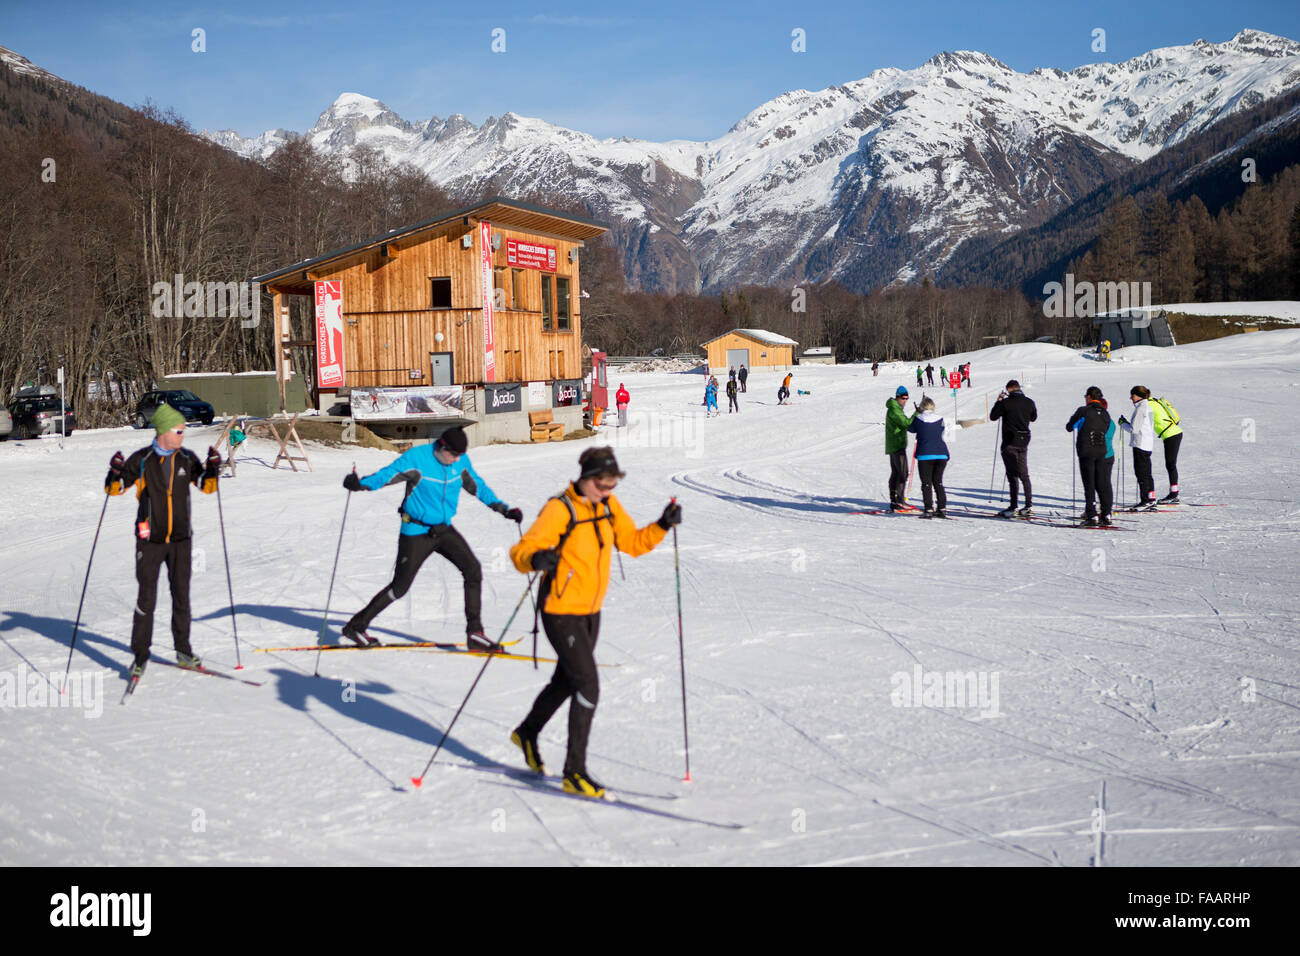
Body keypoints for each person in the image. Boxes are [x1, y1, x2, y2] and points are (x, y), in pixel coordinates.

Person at [509, 447, 680, 798]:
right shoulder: (559, 509)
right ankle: (575, 772)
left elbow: (632, 543)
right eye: (602, 485)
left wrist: (662, 524)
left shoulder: (608, 507)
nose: (607, 491)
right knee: (588, 686)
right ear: (586, 479)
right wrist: (537, 558)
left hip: (590, 610)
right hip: (559, 609)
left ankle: (527, 732)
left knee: (567, 679)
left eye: (612, 485)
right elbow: (521, 552)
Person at [339, 426, 523, 651]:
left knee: (473, 570)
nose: (457, 459)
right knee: (400, 588)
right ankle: (356, 627)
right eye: (453, 454)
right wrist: (361, 484)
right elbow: (387, 475)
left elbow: (478, 486)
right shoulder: (417, 458)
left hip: (443, 529)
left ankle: (475, 633)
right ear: (442, 446)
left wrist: (503, 509)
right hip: (416, 531)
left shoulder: (460, 461)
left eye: (460, 455)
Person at [105, 404, 221, 678]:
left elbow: (207, 487)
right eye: (179, 430)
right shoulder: (142, 460)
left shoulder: (187, 458)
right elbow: (114, 489)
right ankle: (140, 656)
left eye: (184, 430)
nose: (183, 435)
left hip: (181, 540)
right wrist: (115, 472)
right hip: (150, 541)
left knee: (181, 597)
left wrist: (213, 468)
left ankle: (183, 651)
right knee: (147, 599)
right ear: (164, 431)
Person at [1066, 386, 1115, 527]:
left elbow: (1070, 426)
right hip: (1102, 451)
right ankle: (1106, 513)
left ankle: (1092, 514)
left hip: (1086, 451)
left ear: (1088, 397)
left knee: (1089, 484)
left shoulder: (1083, 410)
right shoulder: (1106, 414)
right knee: (1102, 483)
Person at [989, 380, 1037, 517]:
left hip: (1010, 441)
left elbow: (993, 416)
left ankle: (1013, 505)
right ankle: (1028, 504)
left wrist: (999, 400)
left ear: (1009, 389)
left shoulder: (1006, 402)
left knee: (1012, 474)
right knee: (1024, 474)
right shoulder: (1029, 402)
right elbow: (1034, 418)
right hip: (1024, 441)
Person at [907, 397, 949, 517]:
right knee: (938, 482)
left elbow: (910, 428)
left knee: (926, 483)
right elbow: (946, 433)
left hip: (925, 454)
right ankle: (942, 508)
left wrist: (916, 413)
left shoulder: (918, 418)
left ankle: (928, 509)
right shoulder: (940, 418)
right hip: (942, 453)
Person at [1118, 385, 1156, 510]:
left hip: (1140, 443)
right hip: (1147, 443)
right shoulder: (1147, 406)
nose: (1131, 398)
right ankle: (1150, 497)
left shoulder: (1141, 408)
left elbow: (1134, 429)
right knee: (1147, 472)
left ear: (1138, 395)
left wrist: (1123, 424)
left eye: (1132, 395)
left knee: (1141, 473)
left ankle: (1145, 500)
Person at [885, 386, 916, 512]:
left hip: (895, 444)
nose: (905, 401)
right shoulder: (894, 409)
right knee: (902, 473)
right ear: (897, 397)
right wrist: (917, 413)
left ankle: (894, 500)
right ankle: (899, 501)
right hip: (897, 445)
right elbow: (906, 423)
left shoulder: (895, 408)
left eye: (907, 398)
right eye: (903, 398)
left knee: (897, 472)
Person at [1150, 393, 1183, 503]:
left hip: (1171, 435)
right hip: (1173, 433)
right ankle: (1174, 493)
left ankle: (1174, 494)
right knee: (1170, 464)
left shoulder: (1148, 405)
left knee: (1170, 464)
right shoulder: (1154, 402)